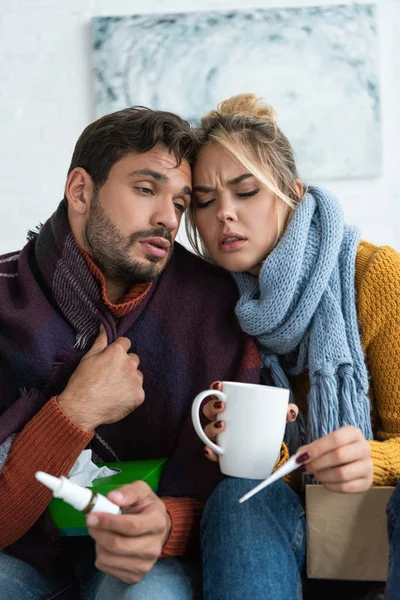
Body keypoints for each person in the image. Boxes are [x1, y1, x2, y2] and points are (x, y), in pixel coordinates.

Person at [0, 105, 265, 600]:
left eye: (182, 203)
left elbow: (249, 490)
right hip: (18, 553)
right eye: (146, 189)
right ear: (81, 190)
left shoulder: (215, 310)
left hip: (143, 558)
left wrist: (169, 523)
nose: (167, 218)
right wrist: (74, 412)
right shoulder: (5, 300)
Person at [185, 94, 400, 600]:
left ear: (292, 194)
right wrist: (248, 447)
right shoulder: (205, 304)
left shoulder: (373, 276)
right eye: (205, 201)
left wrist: (373, 461)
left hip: (378, 514)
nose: (226, 216)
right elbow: (266, 477)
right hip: (294, 521)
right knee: (236, 497)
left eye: (246, 192)